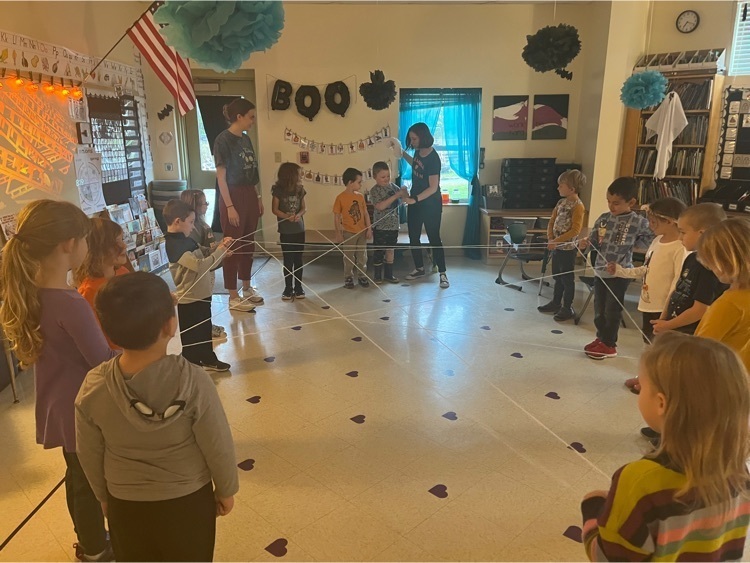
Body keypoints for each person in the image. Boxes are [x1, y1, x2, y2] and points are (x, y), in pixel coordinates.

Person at [76, 272, 238, 562]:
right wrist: (226, 488)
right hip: (189, 500)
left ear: (108, 334)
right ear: (170, 325)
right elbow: (217, 441)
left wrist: (103, 496)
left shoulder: (94, 386)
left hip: (124, 502)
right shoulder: (194, 380)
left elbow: (88, 452)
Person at [0, 200, 115, 562]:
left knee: (77, 478)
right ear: (69, 243)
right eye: (83, 239)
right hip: (80, 409)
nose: (86, 246)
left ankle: (89, 539)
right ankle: (95, 548)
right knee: (88, 482)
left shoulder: (34, 292)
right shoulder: (70, 303)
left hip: (60, 405)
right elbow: (102, 361)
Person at [581, 332, 750, 562]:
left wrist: (592, 509)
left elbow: (608, 557)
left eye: (642, 386)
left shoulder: (638, 482)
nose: (638, 390)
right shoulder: (739, 471)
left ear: (661, 403)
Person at [580, 177, 653, 360]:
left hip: (620, 274)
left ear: (631, 202)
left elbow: (651, 238)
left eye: (616, 203)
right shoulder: (604, 218)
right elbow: (594, 240)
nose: (611, 206)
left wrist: (636, 243)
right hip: (600, 271)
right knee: (599, 309)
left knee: (612, 311)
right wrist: (585, 243)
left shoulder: (637, 221)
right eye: (608, 202)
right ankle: (601, 338)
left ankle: (610, 345)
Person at [163, 199, 233, 372]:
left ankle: (208, 358)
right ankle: (191, 367)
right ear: (178, 221)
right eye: (191, 222)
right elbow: (200, 266)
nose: (193, 227)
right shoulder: (174, 245)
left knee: (204, 331)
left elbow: (203, 251)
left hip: (202, 295)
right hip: (190, 299)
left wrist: (221, 246)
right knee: (192, 337)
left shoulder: (186, 239)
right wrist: (221, 252)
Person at [608, 197, 687, 345]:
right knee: (648, 342)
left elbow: (677, 284)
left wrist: (665, 316)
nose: (650, 226)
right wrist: (620, 271)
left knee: (660, 348)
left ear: (669, 222)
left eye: (653, 222)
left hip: (663, 310)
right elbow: (647, 269)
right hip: (647, 305)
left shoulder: (680, 248)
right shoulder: (657, 241)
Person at [214, 97, 264, 311]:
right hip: (232, 195)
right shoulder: (222, 140)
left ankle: (246, 287)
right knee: (232, 246)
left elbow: (252, 172)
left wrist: (258, 197)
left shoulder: (246, 139)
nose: (253, 121)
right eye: (251, 117)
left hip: (249, 193)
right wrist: (230, 206)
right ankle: (232, 295)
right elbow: (221, 177)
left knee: (248, 243)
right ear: (239, 117)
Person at [650, 203, 727, 336]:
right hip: (674, 328)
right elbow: (678, 290)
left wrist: (668, 325)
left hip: (691, 334)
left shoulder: (710, 268)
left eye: (683, 232)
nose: (680, 237)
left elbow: (700, 309)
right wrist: (664, 319)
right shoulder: (691, 258)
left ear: (702, 234)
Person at [390, 123, 449, 288]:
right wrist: (401, 153)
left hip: (431, 204)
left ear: (423, 137)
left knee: (434, 237)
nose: (412, 141)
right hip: (415, 202)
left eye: (414, 138)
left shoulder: (433, 158)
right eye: (410, 138)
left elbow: (433, 187)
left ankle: (443, 273)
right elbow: (414, 164)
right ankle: (419, 268)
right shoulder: (417, 152)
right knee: (413, 236)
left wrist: (414, 199)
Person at [74, 217, 133, 349]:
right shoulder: (88, 293)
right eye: (116, 243)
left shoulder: (123, 272)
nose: (124, 246)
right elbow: (96, 339)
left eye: (122, 240)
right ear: (98, 249)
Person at [695, 218, 750, 356]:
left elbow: (699, 351)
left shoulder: (728, 304)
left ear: (725, 262)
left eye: (711, 263)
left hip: (722, 374)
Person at [537, 169, 587, 321]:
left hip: (567, 249)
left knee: (566, 279)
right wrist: (550, 238)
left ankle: (567, 307)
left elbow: (575, 230)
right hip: (556, 247)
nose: (558, 188)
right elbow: (552, 221)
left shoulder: (578, 206)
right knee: (557, 276)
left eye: (561, 186)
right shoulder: (560, 203)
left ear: (572, 188)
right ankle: (556, 302)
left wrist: (557, 241)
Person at [180, 189, 226, 340]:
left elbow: (208, 249)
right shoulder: (197, 229)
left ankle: (206, 326)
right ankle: (204, 328)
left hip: (205, 268)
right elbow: (203, 252)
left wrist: (221, 247)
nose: (206, 205)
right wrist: (220, 250)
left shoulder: (200, 226)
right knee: (202, 303)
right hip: (203, 270)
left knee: (204, 301)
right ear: (194, 206)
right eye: (204, 203)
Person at [271, 162, 307, 300]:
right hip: (286, 231)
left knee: (298, 260)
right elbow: (274, 209)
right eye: (298, 173)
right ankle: (288, 288)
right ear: (291, 175)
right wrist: (287, 216)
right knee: (288, 261)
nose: (301, 176)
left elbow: (304, 208)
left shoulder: (300, 190)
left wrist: (299, 215)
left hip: (299, 230)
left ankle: (298, 287)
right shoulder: (278, 190)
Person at [369, 161, 407, 284]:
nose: (386, 179)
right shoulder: (374, 190)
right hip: (380, 227)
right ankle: (377, 275)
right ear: (375, 177)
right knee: (379, 251)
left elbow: (405, 198)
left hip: (393, 226)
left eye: (388, 176)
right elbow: (380, 206)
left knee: (391, 250)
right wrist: (396, 196)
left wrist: (404, 191)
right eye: (383, 177)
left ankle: (389, 275)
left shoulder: (393, 187)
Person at [333, 167, 372, 289]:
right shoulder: (340, 198)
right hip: (348, 233)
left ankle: (362, 276)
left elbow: (365, 213)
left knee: (362, 256)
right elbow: (336, 217)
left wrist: (369, 228)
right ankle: (348, 277)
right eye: (359, 182)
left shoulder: (360, 197)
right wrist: (338, 233)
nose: (361, 185)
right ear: (350, 182)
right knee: (349, 256)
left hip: (362, 232)